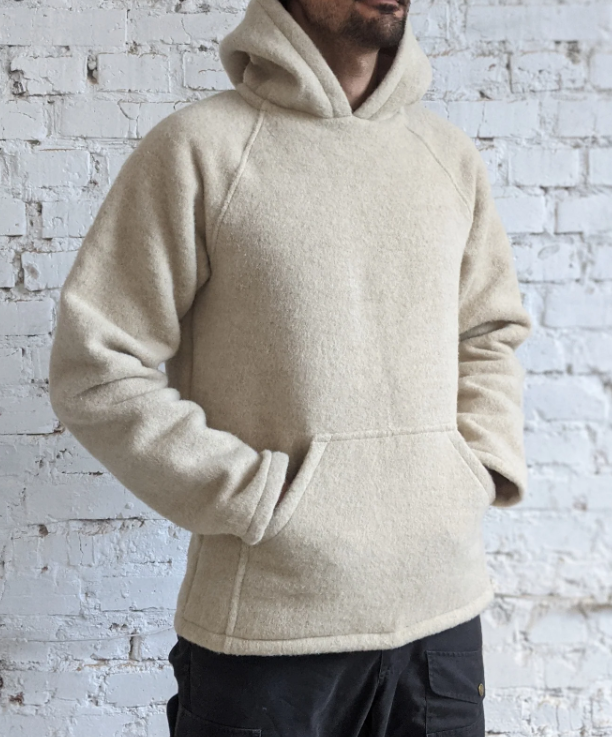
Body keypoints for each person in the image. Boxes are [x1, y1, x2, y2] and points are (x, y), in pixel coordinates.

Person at [48, 0, 533, 734]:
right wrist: (254, 496)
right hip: (268, 637)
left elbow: (489, 333)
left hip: (443, 621)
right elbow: (97, 366)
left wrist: (475, 467)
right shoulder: (202, 149)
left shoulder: (447, 157)